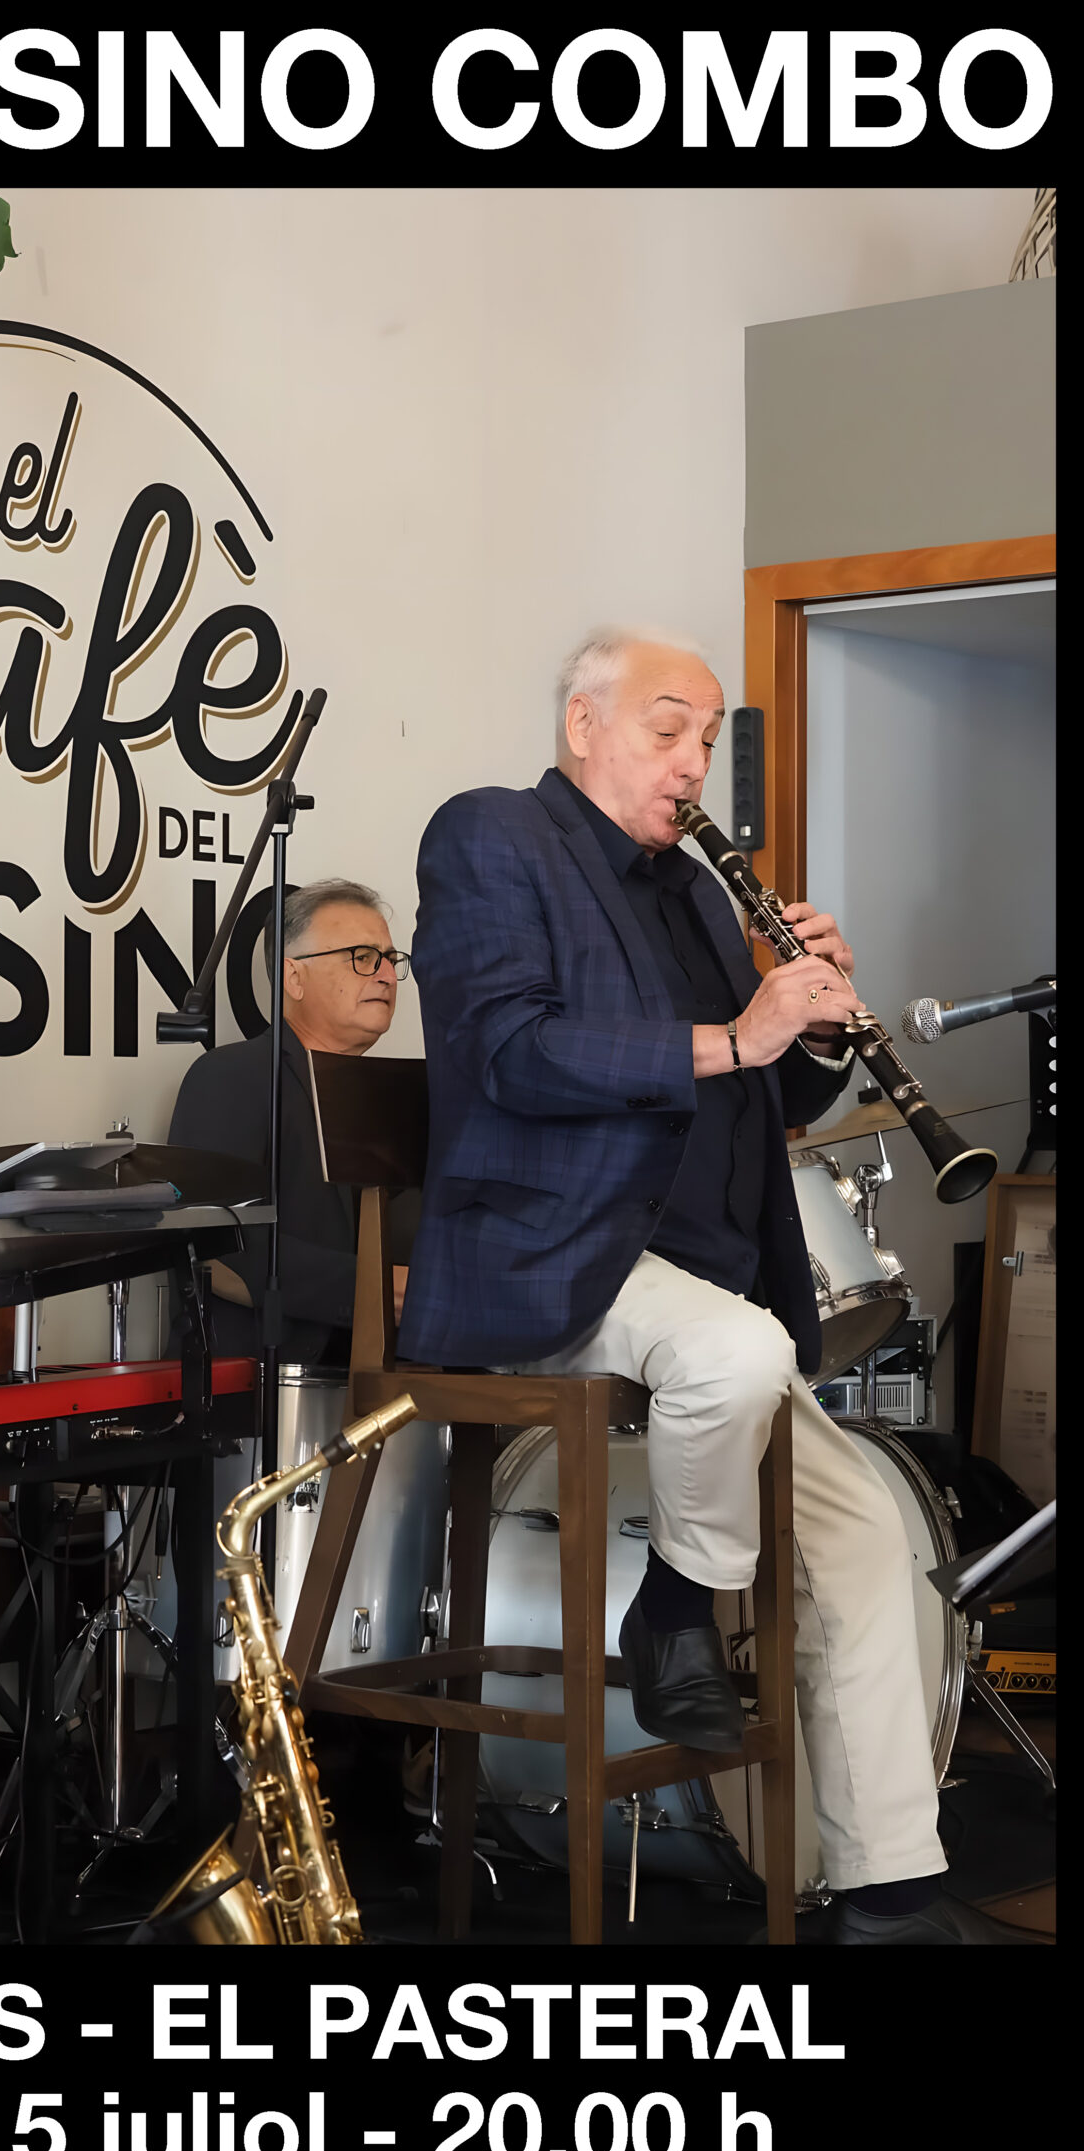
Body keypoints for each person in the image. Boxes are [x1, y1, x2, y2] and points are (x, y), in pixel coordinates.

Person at [401, 628, 1015, 1946]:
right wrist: (739, 1030)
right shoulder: (492, 835)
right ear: (584, 725)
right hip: (551, 1261)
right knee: (734, 1354)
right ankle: (671, 1611)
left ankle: (888, 1893)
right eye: (666, 728)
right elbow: (508, 1051)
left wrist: (809, 1027)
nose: (693, 763)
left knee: (868, 1529)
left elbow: (759, 1096)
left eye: (706, 737)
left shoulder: (688, 890)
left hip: (690, 1283)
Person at [166, 878, 417, 1362]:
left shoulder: (396, 1097)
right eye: (363, 957)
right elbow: (218, 1252)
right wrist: (382, 1290)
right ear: (293, 977)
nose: (387, 975)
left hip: (401, 1378)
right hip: (261, 1383)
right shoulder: (232, 1075)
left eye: (391, 959)